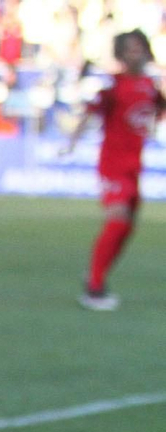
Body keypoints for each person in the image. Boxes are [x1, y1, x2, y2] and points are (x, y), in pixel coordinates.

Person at [66, 30, 164, 311]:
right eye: (131, 49)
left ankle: (97, 274)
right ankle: (94, 288)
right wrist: (72, 140)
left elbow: (157, 109)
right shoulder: (113, 86)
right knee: (118, 220)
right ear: (121, 54)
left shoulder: (149, 85)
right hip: (113, 164)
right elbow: (91, 111)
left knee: (127, 227)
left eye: (140, 48)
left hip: (135, 166)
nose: (137, 53)